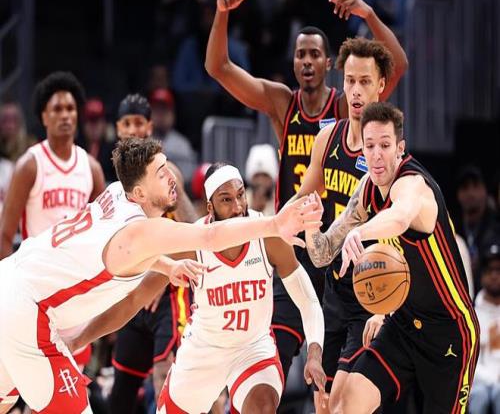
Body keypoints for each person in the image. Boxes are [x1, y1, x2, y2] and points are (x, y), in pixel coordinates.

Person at [0, 137, 321, 414]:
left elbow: (118, 251)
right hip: (27, 311)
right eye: (160, 172)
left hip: (10, 280)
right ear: (140, 192)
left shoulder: (116, 194)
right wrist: (274, 224)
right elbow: (208, 238)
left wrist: (166, 266)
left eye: (167, 166)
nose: (171, 177)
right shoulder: (143, 231)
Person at [205, 0, 408, 383]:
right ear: (294, 62)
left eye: (315, 53)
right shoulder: (283, 103)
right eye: (301, 54)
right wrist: (222, 14)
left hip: (345, 250)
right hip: (299, 243)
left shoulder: (349, 105)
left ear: (330, 64)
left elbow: (395, 65)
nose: (308, 61)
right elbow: (218, 68)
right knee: (274, 350)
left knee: (341, 372)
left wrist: (368, 14)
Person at [305, 102, 479, 413]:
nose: (376, 154)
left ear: (400, 148)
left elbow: (399, 218)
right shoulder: (366, 190)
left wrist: (360, 232)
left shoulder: (414, 185)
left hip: (449, 331)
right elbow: (323, 253)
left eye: (385, 145)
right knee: (345, 406)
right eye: (370, 145)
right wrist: (309, 225)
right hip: (403, 323)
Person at [292, 37, 396, 411]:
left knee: (346, 403)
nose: (355, 91)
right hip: (333, 286)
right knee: (322, 402)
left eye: (365, 81)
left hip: (373, 285)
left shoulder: (388, 152)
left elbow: (400, 231)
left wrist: (385, 307)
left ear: (381, 85)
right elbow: (299, 202)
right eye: (350, 80)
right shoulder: (328, 138)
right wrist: (263, 228)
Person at [109, 93, 198, 414]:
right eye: (127, 123)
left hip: (171, 295)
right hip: (135, 296)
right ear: (117, 129)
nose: (133, 129)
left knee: (168, 380)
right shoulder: (118, 182)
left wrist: (160, 272)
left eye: (139, 123)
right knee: (121, 392)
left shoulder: (165, 172)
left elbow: (193, 236)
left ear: (149, 127)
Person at [0, 71, 106, 260]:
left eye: (70, 108)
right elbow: (5, 235)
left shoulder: (92, 168)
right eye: (57, 109)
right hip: (37, 269)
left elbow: (104, 232)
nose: (65, 115)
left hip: (76, 270)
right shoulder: (29, 166)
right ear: (44, 117)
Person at [469, 242, 500, 414]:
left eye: (499, 270)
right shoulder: (472, 314)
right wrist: (493, 378)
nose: (494, 275)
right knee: (480, 395)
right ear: (482, 275)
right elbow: (471, 361)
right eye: (490, 270)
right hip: (479, 382)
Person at [149, 88, 197, 182]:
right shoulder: (142, 142)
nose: (160, 115)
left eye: (164, 110)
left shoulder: (182, 144)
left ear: (172, 114)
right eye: (156, 110)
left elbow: (188, 179)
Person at [245, 143, 278, 216]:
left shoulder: (280, 201)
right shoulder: (241, 201)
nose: (260, 181)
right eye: (257, 176)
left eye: (265, 176)